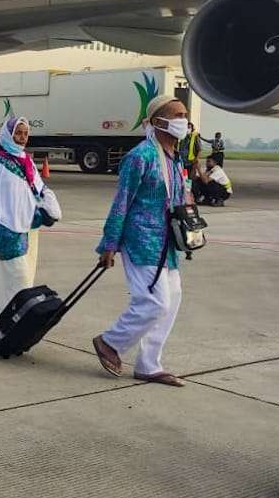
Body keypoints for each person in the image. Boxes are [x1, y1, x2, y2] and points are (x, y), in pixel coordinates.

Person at [93, 95, 190, 388]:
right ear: (159, 121)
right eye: (177, 114)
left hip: (167, 243)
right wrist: (109, 245)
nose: (183, 120)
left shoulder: (174, 156)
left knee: (171, 300)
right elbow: (121, 203)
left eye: (184, 114)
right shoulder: (140, 157)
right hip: (141, 241)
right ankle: (110, 341)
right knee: (154, 301)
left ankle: (149, 364)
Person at [0, 117, 61, 317]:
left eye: (25, 134)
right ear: (8, 134)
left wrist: (50, 205)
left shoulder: (27, 160)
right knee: (19, 273)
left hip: (29, 225)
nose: (22, 138)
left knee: (20, 272)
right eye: (18, 133)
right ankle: (13, 316)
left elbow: (40, 189)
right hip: (4, 225)